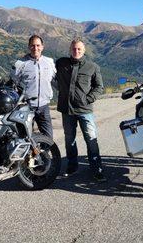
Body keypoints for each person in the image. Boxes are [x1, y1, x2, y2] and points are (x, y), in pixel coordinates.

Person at [55, 37, 106, 182]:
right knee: (69, 139)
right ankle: (72, 166)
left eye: (79, 49)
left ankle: (97, 168)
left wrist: (88, 99)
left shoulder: (92, 67)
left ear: (84, 50)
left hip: (85, 110)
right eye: (73, 48)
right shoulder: (61, 63)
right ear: (70, 50)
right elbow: (48, 73)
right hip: (67, 110)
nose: (76, 51)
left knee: (91, 139)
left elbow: (99, 87)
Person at [11, 35, 56, 139]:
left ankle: (45, 155)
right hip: (26, 106)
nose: (35, 48)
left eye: (38, 45)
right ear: (28, 47)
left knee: (48, 138)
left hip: (44, 106)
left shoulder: (49, 62)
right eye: (32, 45)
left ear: (42, 47)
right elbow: (12, 83)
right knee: (25, 138)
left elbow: (55, 80)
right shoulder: (20, 63)